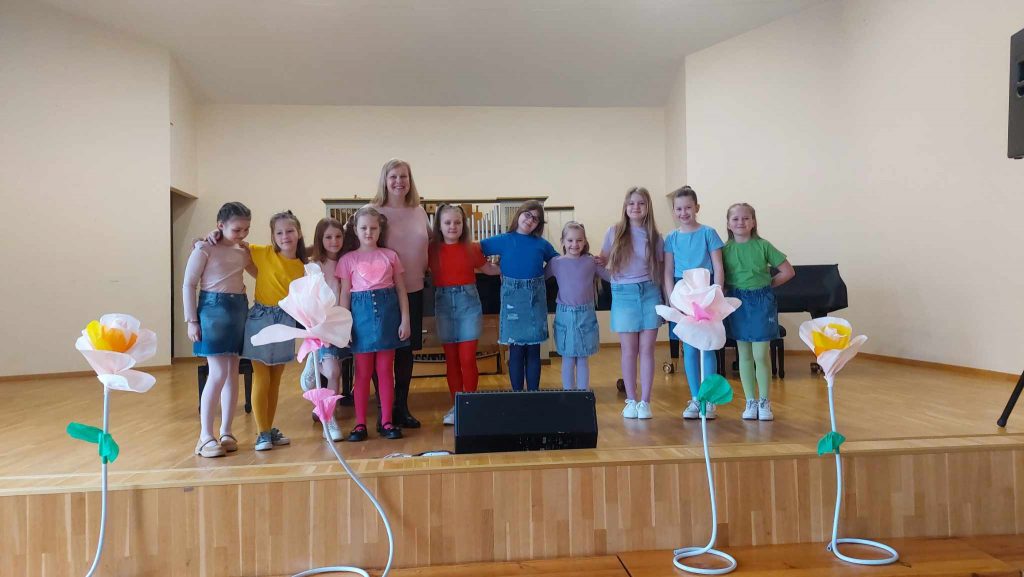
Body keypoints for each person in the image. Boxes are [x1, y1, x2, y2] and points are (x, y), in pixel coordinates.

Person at [184, 202, 252, 457]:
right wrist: (192, 320)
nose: (242, 234)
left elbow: (259, 271)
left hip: (238, 309)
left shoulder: (243, 251)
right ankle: (204, 436)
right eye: (237, 229)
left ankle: (226, 431)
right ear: (220, 225)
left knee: (232, 372)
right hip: (212, 310)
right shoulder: (204, 248)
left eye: (246, 229)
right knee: (218, 372)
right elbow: (189, 284)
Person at [336, 206, 408, 441]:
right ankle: (360, 424)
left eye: (373, 228)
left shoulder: (390, 256)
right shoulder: (347, 260)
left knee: (386, 371)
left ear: (380, 229)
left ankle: (386, 421)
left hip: (388, 317)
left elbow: (401, 290)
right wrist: (344, 325)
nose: (369, 232)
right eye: (364, 228)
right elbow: (345, 294)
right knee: (363, 373)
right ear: (355, 230)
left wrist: (405, 319)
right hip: (361, 320)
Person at [370, 159, 430, 429]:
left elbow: (431, 242)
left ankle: (401, 407)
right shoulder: (372, 211)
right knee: (382, 351)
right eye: (393, 176)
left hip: (414, 288)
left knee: (406, 352)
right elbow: (350, 244)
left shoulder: (419, 211)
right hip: (381, 292)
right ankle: (384, 409)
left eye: (403, 176)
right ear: (385, 180)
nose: (398, 181)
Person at [240, 211, 307, 450]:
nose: (285, 236)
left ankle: (268, 428)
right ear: (273, 236)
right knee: (262, 376)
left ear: (298, 233)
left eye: (289, 231)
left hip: (285, 322)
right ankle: (262, 433)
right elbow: (236, 242)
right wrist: (204, 239)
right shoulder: (264, 253)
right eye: (279, 233)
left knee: (276, 380)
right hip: (260, 318)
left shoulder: (303, 266)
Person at [427, 203, 499, 425]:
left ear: (463, 225)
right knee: (451, 360)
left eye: (457, 222)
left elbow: (489, 270)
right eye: (447, 222)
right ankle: (457, 406)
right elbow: (418, 269)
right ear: (439, 225)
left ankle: (471, 404)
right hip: (443, 304)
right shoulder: (431, 249)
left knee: (467, 358)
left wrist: (513, 266)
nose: (453, 226)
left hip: (468, 304)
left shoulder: (472, 248)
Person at [722, 203, 795, 421]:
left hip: (761, 302)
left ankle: (764, 401)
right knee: (744, 354)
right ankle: (750, 401)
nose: (741, 222)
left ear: (753, 222)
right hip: (738, 302)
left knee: (760, 354)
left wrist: (766, 286)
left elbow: (788, 271)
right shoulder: (725, 250)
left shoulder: (763, 246)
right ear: (728, 224)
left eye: (746, 218)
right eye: (735, 219)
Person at [600, 187, 664, 420]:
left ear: (648, 207)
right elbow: (601, 262)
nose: (636, 207)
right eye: (631, 203)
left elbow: (661, 270)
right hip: (623, 295)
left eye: (641, 203)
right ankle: (631, 400)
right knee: (629, 350)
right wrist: (616, 281)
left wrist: (666, 300)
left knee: (647, 350)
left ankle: (645, 401)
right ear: (625, 207)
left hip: (649, 292)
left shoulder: (655, 236)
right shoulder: (614, 231)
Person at [480, 200, 558, 391]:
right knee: (515, 351)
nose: (530, 220)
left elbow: (557, 261)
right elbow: (476, 250)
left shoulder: (542, 244)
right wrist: (491, 269)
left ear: (538, 225)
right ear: (519, 214)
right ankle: (517, 394)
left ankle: (533, 394)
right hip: (513, 300)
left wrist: (543, 275)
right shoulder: (504, 239)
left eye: (536, 219)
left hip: (535, 300)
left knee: (533, 350)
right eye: (528, 215)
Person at [662, 186, 725, 420]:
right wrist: (673, 299)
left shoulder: (709, 233)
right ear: (674, 211)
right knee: (688, 347)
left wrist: (716, 293)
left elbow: (718, 266)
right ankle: (696, 398)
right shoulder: (671, 238)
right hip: (683, 293)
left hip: (705, 290)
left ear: (697, 207)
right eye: (679, 209)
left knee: (706, 346)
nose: (684, 212)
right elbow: (668, 271)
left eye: (688, 207)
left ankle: (709, 400)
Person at [546, 221, 609, 391]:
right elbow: (539, 278)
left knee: (582, 358)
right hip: (564, 315)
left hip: (585, 315)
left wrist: (608, 261)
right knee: (567, 358)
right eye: (570, 240)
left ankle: (582, 395)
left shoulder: (591, 262)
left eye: (579, 240)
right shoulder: (556, 262)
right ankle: (569, 394)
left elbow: (611, 276)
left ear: (585, 241)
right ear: (563, 241)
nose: (575, 244)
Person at [306, 217, 350, 441]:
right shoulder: (314, 266)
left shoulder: (346, 261)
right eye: (328, 237)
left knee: (336, 370)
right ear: (320, 239)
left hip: (341, 323)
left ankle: (325, 408)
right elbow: (310, 300)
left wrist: (343, 325)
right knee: (333, 372)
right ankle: (328, 420)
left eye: (338, 236)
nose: (334, 241)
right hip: (322, 326)